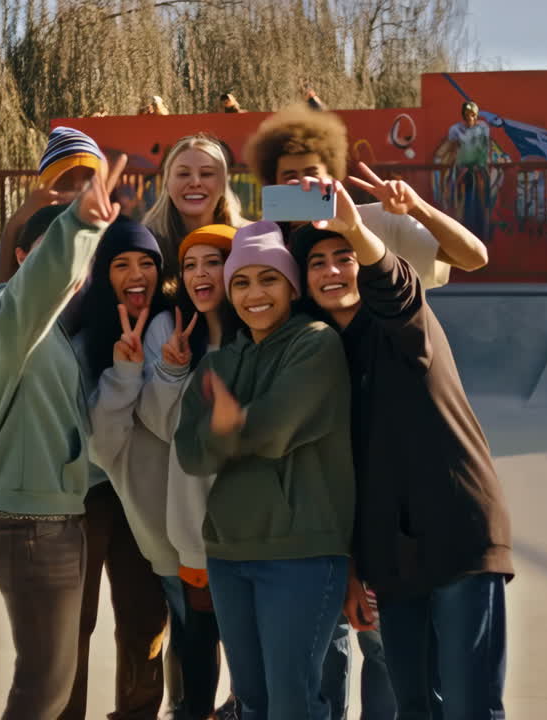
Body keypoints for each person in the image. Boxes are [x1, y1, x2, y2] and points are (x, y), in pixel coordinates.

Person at [288, 178, 513, 720]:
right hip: (391, 555)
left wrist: (356, 231)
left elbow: (393, 283)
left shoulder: (404, 323)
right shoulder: (320, 357)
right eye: (317, 263)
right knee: (412, 704)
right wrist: (353, 568)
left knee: (468, 706)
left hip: (458, 534)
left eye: (344, 258)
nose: (332, 270)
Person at [0, 153, 126, 719]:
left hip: (48, 517)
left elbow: (64, 431)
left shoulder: (43, 337)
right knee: (44, 686)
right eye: (60, 260)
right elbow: (32, 295)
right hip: (31, 525)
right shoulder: (7, 317)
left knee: (53, 680)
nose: (78, 275)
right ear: (24, 257)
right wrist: (77, 227)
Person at [175, 221, 354, 719]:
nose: (255, 294)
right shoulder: (218, 363)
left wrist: (230, 429)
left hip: (300, 553)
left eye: (268, 279)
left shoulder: (316, 344)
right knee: (251, 703)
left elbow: (273, 430)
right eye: (242, 282)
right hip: (228, 553)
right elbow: (191, 454)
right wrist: (229, 431)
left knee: (293, 703)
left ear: (293, 286)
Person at [63, 218, 173, 720]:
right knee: (73, 624)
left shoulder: (173, 327)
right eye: (121, 263)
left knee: (146, 621)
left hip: (145, 498)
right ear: (103, 273)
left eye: (146, 263)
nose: (135, 273)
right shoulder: (82, 336)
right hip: (87, 498)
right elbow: (94, 443)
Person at [135, 225, 240, 719]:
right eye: (191, 264)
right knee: (196, 653)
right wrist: (173, 370)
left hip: (253, 534)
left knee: (251, 664)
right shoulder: (173, 333)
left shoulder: (260, 334)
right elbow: (158, 425)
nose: (201, 273)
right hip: (192, 530)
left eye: (213, 261)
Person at [245, 105, 486, 290]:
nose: (303, 183)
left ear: (333, 177)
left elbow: (473, 258)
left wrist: (417, 207)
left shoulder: (380, 220)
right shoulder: (263, 244)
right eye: (290, 177)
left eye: (312, 173)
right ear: (273, 183)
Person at [0, 127, 102, 287]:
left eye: (88, 180)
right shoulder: (20, 244)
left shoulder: (108, 235)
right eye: (66, 183)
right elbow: (0, 304)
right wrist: (13, 227)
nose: (77, 191)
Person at [143, 134, 249, 280]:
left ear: (223, 183)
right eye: (183, 174)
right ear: (167, 183)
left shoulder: (248, 238)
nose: (195, 182)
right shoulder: (145, 244)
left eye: (206, 174)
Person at [434, 101, 492, 241]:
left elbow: (487, 146)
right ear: (463, 115)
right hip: (462, 170)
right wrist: (440, 157)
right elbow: (452, 147)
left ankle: (485, 233)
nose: (470, 118)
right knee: (459, 200)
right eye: (467, 115)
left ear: (476, 115)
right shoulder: (456, 129)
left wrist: (484, 163)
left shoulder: (483, 128)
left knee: (484, 199)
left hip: (480, 169)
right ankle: (462, 234)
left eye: (472, 114)